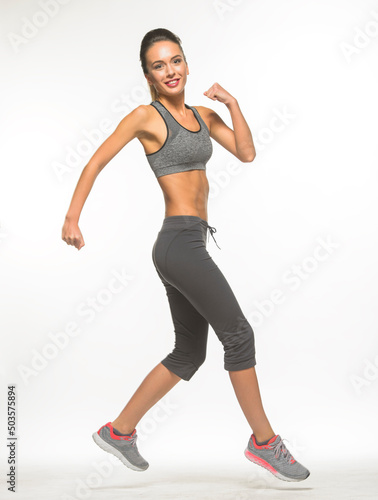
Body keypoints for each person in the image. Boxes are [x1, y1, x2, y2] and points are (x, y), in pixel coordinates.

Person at [61, 28, 310, 482]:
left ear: (187, 65)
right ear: (148, 76)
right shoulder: (145, 117)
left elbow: (247, 152)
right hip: (178, 243)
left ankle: (119, 432)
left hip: (189, 241)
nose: (170, 70)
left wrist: (232, 104)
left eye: (175, 60)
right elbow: (94, 161)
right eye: (159, 65)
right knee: (239, 334)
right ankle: (264, 443)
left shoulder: (204, 113)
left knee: (188, 352)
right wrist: (72, 218)